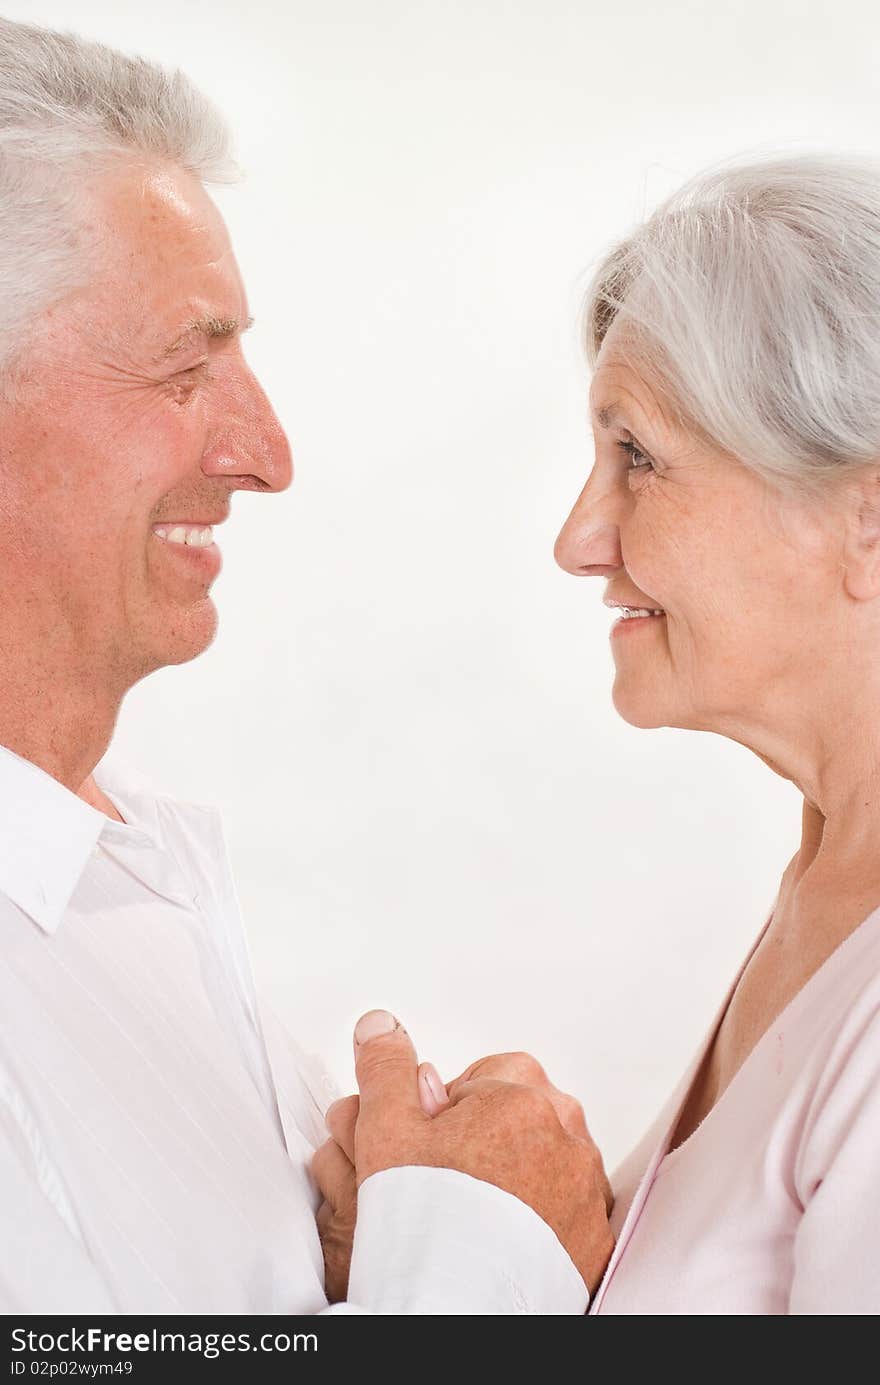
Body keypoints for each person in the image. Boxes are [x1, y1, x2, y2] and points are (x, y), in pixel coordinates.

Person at [0, 17, 615, 1315]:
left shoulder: (123, 892)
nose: (267, 452)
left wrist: (351, 1278)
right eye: (186, 360)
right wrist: (482, 1258)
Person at [316, 153, 880, 1313]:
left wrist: (471, 1288)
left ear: (865, 515)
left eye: (638, 455)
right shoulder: (825, 896)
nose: (581, 536)